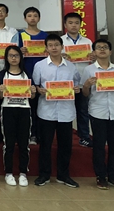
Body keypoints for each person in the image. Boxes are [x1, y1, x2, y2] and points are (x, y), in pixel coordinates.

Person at [33, 34, 81, 188]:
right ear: (46, 48)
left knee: (65, 145)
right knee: (45, 145)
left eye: (56, 45)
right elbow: (35, 85)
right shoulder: (39, 66)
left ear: (62, 47)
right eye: (50, 45)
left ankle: (63, 175)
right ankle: (44, 175)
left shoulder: (71, 66)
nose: (54, 48)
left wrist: (76, 89)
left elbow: (77, 85)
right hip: (46, 111)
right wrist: (39, 90)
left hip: (66, 111)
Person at [81, 39, 114, 190]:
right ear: (94, 52)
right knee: (99, 146)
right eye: (99, 47)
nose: (102, 49)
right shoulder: (89, 70)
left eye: (105, 47)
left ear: (110, 51)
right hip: (98, 112)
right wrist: (87, 85)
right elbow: (85, 93)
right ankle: (101, 177)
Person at [0, 45, 37, 187]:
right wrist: (0, 90)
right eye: (11, 56)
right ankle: (8, 173)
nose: (14, 58)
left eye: (16, 55)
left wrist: (33, 91)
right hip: (8, 110)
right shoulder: (3, 74)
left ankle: (23, 173)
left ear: (21, 57)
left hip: (24, 110)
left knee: (23, 143)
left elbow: (32, 97)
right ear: (6, 58)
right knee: (9, 143)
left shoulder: (26, 74)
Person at [61, 12, 94, 148]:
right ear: (65, 25)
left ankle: (84, 137)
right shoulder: (60, 42)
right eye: (70, 23)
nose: (73, 25)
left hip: (83, 82)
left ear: (80, 25)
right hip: (66, 83)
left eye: (76, 23)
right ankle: (66, 137)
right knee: (66, 112)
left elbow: (93, 62)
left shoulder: (87, 42)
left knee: (83, 111)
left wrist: (93, 58)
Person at [17, 7, 48, 145]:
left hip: (44, 74)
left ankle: (41, 133)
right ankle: (30, 133)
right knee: (28, 106)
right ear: (25, 18)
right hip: (26, 72)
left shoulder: (45, 35)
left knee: (42, 105)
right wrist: (19, 51)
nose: (32, 18)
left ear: (39, 18)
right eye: (29, 15)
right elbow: (13, 54)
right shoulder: (20, 35)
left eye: (35, 15)